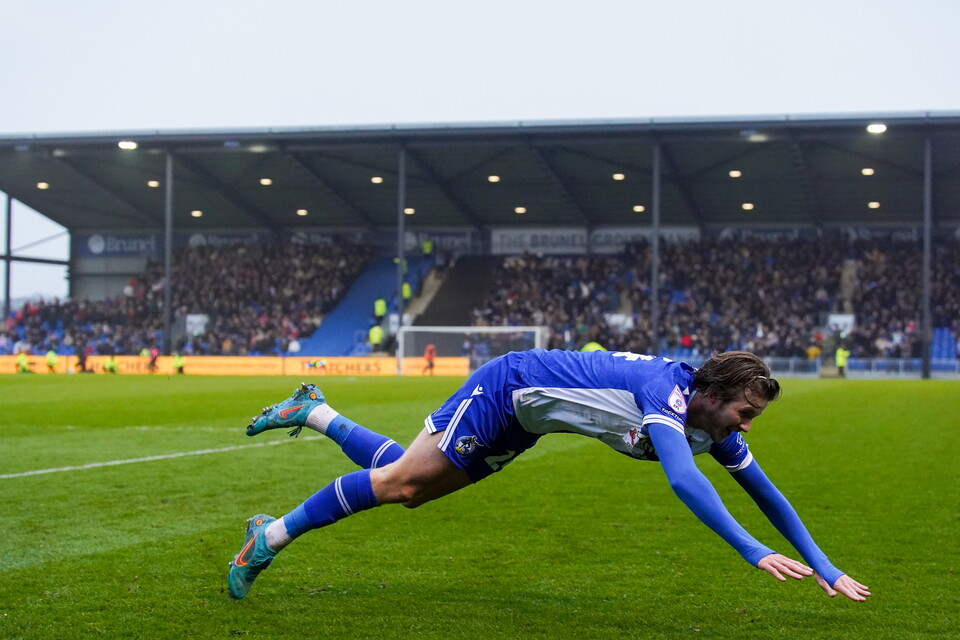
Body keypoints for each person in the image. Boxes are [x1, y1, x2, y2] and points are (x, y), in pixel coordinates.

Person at [227, 349, 870, 603]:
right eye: (745, 411)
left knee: (409, 485)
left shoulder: (712, 427)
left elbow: (768, 494)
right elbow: (682, 482)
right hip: (508, 387)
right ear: (714, 392)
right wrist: (752, 551)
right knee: (403, 485)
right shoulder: (666, 396)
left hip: (529, 422)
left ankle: (314, 410)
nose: (747, 426)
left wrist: (826, 564)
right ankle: (269, 537)